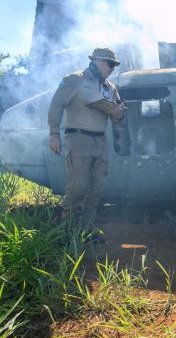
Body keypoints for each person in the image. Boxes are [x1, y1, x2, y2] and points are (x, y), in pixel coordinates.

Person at [48, 47, 125, 228]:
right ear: (97, 61)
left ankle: (87, 229)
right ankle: (68, 230)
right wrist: (54, 134)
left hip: (100, 141)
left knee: (96, 189)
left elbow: (118, 115)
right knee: (78, 187)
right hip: (78, 139)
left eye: (114, 65)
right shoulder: (75, 80)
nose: (112, 68)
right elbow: (56, 105)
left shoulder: (110, 88)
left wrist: (119, 114)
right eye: (110, 64)